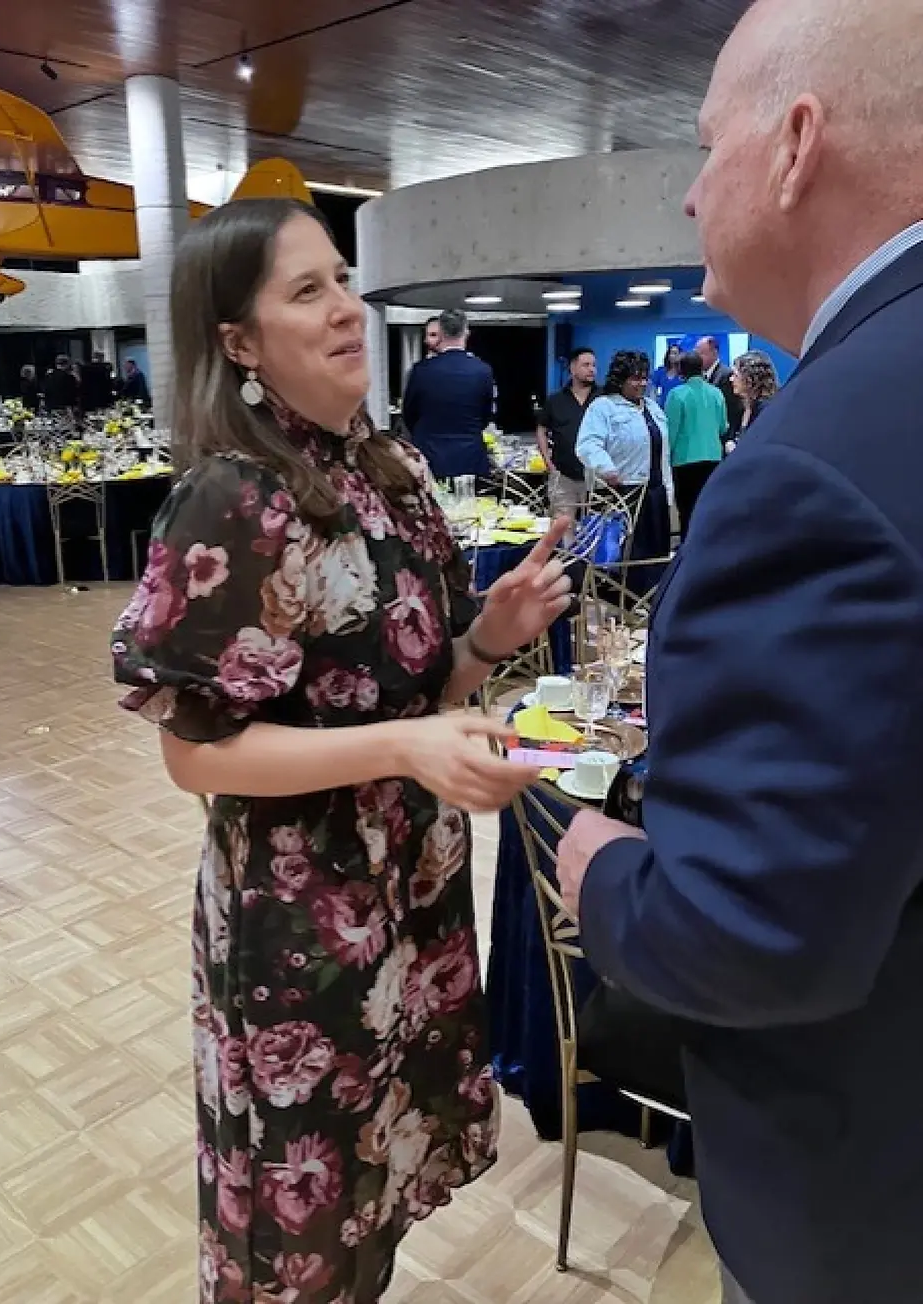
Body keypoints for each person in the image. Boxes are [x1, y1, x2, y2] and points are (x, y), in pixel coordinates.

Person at [111, 197, 573, 1303]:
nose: (344, 310)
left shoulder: (388, 470)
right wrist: (408, 742)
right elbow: (196, 752)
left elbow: (420, 684)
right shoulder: (231, 496)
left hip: (407, 903)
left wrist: (487, 638)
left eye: (344, 280)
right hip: (300, 932)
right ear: (237, 339)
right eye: (305, 290)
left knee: (376, 1196)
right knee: (300, 1239)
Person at [556, 1, 923, 1302]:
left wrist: (592, 859)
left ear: (796, 144)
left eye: (708, 146)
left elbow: (750, 935)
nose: (692, 194)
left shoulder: (818, 464)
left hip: (867, 1212)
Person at [576, 349, 673, 591]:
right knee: (622, 558)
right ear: (620, 379)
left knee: (654, 557)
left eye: (644, 377)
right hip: (620, 493)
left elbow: (663, 453)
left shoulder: (653, 409)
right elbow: (587, 444)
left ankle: (650, 603)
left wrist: (668, 491)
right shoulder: (603, 407)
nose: (641, 383)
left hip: (654, 495)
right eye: (635, 378)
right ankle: (622, 610)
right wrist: (606, 468)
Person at [401, 308, 495, 480]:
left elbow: (409, 414)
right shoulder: (483, 371)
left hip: (429, 457)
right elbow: (486, 415)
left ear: (441, 333)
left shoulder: (421, 370)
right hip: (469, 458)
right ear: (466, 332)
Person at [664, 350, 727, 537]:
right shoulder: (717, 393)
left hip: (685, 461)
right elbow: (723, 427)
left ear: (681, 371)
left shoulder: (677, 395)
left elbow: (671, 432)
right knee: (709, 510)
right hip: (714, 459)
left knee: (687, 512)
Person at [535, 346, 598, 523]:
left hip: (596, 476)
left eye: (594, 365)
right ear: (572, 368)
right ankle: (566, 552)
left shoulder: (603, 398)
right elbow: (541, 428)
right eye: (586, 365)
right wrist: (548, 462)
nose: (591, 369)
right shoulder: (556, 400)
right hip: (563, 474)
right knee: (562, 526)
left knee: (594, 528)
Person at [728, 349, 779, 448]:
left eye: (735, 375)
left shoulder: (766, 410)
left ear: (751, 379)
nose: (731, 379)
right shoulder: (744, 407)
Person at [695, 334, 743, 434]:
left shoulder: (726, 375)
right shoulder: (699, 377)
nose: (697, 358)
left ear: (714, 353)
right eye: (696, 354)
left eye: (701, 354)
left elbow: (733, 410)